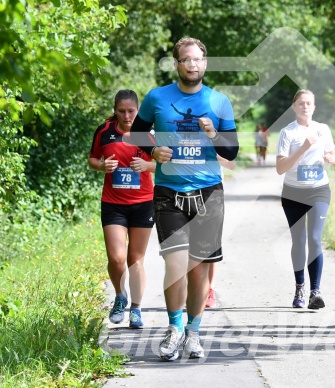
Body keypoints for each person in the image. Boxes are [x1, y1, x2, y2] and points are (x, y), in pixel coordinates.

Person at [128, 37, 238, 361]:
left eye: (198, 60)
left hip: (208, 193)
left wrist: (213, 135)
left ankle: (194, 332)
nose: (192, 65)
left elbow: (231, 151)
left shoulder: (219, 101)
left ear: (205, 64)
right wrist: (152, 150)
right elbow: (136, 133)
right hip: (169, 191)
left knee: (198, 271)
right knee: (175, 265)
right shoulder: (157, 97)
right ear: (176, 64)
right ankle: (174, 329)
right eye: (186, 60)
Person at [88, 89, 156, 330]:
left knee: (135, 260)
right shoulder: (104, 132)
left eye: (131, 111)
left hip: (143, 203)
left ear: (138, 111)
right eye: (122, 111)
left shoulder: (148, 134)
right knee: (116, 258)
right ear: (115, 111)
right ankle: (120, 296)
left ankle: (136, 309)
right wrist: (103, 166)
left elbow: (164, 165)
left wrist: (147, 164)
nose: (127, 116)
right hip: (113, 203)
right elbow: (93, 159)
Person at [275, 89, 335, 310]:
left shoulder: (323, 129)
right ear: (294, 107)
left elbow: (332, 154)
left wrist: (331, 157)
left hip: (319, 190)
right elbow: (280, 168)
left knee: (314, 238)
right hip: (293, 192)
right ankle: (300, 286)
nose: (305, 107)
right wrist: (304, 147)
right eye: (301, 103)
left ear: (314, 107)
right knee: (299, 241)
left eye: (309, 103)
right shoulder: (288, 132)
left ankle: (315, 291)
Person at [205, 155, 236, 308]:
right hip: (185, 191)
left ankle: (209, 289)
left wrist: (212, 153)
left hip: (211, 193)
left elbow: (231, 164)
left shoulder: (215, 137)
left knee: (211, 245)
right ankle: (192, 287)